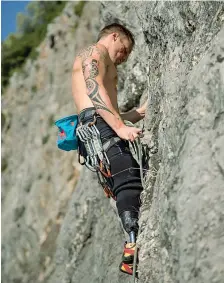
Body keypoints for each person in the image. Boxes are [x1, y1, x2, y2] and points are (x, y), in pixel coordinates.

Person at [72, 23, 147, 276]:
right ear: (114, 36)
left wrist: (134, 115)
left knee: (122, 180)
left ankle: (131, 241)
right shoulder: (95, 52)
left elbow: (103, 108)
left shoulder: (102, 58)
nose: (124, 57)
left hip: (96, 126)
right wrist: (120, 127)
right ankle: (133, 244)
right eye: (124, 49)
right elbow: (94, 90)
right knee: (127, 177)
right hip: (99, 125)